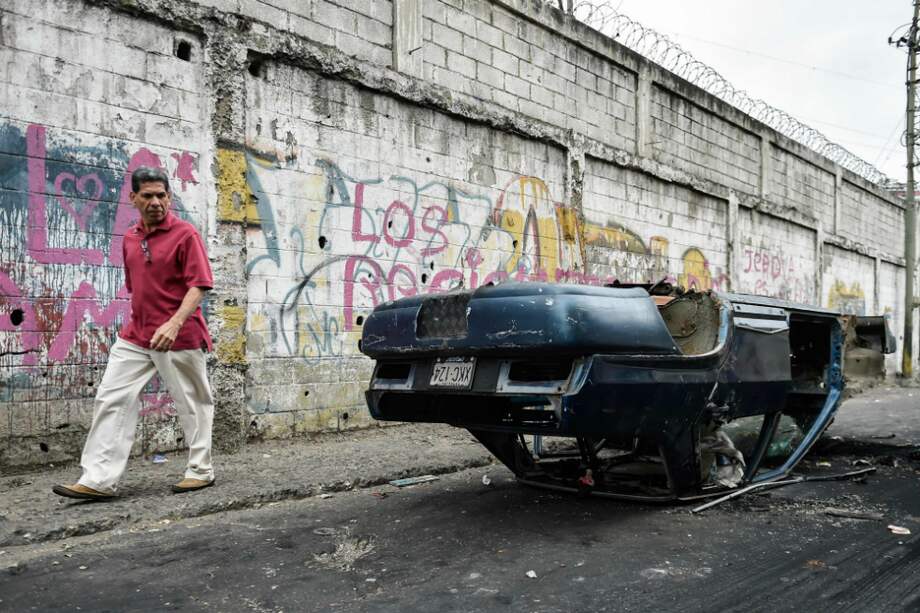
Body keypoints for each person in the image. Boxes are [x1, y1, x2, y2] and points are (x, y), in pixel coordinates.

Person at [53, 166, 216, 500]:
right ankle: (98, 479)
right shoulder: (130, 237)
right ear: (134, 198)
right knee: (111, 398)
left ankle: (201, 471)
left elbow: (199, 285)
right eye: (148, 196)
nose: (155, 202)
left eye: (161, 195)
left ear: (169, 197)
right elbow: (136, 287)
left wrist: (174, 323)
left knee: (193, 405)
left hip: (179, 336)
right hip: (136, 335)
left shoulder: (186, 234)